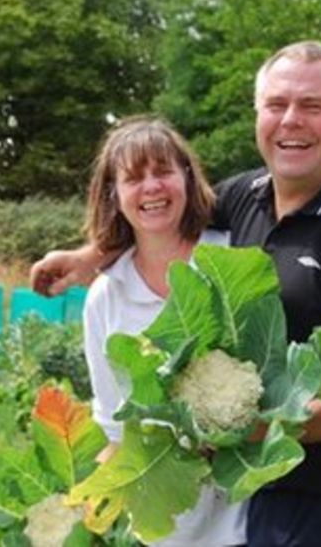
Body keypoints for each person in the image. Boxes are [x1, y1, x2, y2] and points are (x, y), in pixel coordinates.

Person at [32, 42, 321, 547]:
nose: (291, 121)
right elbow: (161, 210)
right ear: (258, 116)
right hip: (267, 502)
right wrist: (92, 255)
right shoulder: (249, 196)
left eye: (312, 106)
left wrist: (255, 429)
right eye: (276, 105)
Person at [78, 115, 246, 547]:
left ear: (188, 179)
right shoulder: (105, 296)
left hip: (248, 516)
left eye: (163, 172)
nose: (152, 188)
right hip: (167, 530)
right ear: (114, 195)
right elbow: (116, 427)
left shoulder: (228, 259)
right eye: (134, 178)